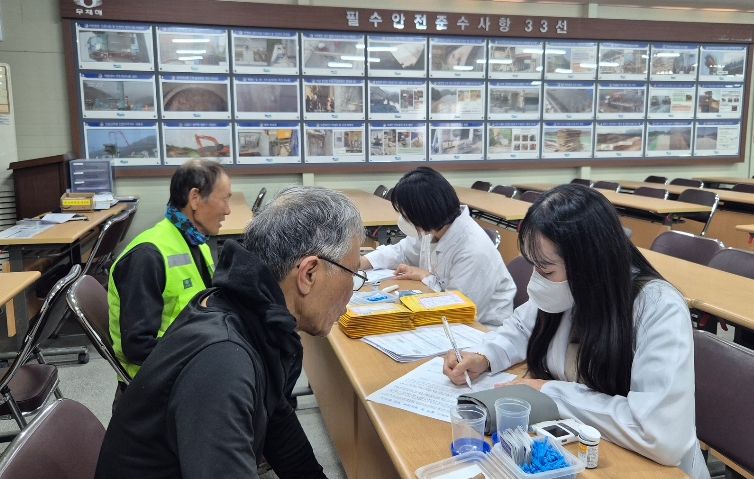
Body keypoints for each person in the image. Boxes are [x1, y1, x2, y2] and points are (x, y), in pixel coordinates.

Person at [95, 187, 364, 479]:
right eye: (353, 273)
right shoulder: (223, 359)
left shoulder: (250, 312)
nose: (352, 289)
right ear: (308, 273)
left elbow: (276, 418)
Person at [443, 184, 709, 479]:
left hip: (650, 468)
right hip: (582, 447)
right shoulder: (565, 289)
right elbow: (521, 327)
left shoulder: (657, 307)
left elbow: (659, 433)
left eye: (546, 270)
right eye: (534, 267)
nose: (536, 281)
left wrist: (550, 393)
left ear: (589, 264)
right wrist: (485, 356)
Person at [108, 159, 232, 386]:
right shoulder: (148, 256)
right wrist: (205, 354)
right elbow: (137, 347)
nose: (227, 210)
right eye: (224, 199)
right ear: (195, 198)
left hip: (189, 359)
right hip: (159, 382)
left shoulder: (196, 241)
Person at [360, 167, 516, 326]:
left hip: (482, 329)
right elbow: (401, 251)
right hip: (444, 314)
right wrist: (362, 262)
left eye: (405, 213)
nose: (403, 219)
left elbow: (459, 309)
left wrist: (426, 277)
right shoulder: (435, 228)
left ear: (423, 213)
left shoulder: (473, 250)